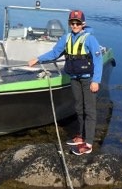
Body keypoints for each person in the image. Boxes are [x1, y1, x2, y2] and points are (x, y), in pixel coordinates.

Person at [28, 10, 103, 155]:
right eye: (72, 23)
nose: (75, 25)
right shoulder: (66, 38)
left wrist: (96, 81)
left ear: (83, 24)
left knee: (90, 110)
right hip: (74, 78)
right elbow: (55, 53)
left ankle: (88, 144)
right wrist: (38, 59)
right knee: (78, 108)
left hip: (88, 79)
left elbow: (98, 60)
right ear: (69, 24)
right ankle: (80, 136)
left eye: (78, 23)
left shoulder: (90, 39)